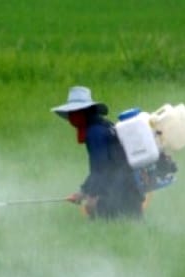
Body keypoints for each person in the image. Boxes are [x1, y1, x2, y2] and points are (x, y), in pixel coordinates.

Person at [51, 86, 145, 220]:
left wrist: (84, 193)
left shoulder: (94, 133)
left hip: (119, 193)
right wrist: (85, 192)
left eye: (74, 112)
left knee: (99, 219)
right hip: (130, 190)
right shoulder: (105, 125)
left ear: (84, 112)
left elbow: (101, 169)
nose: (71, 117)